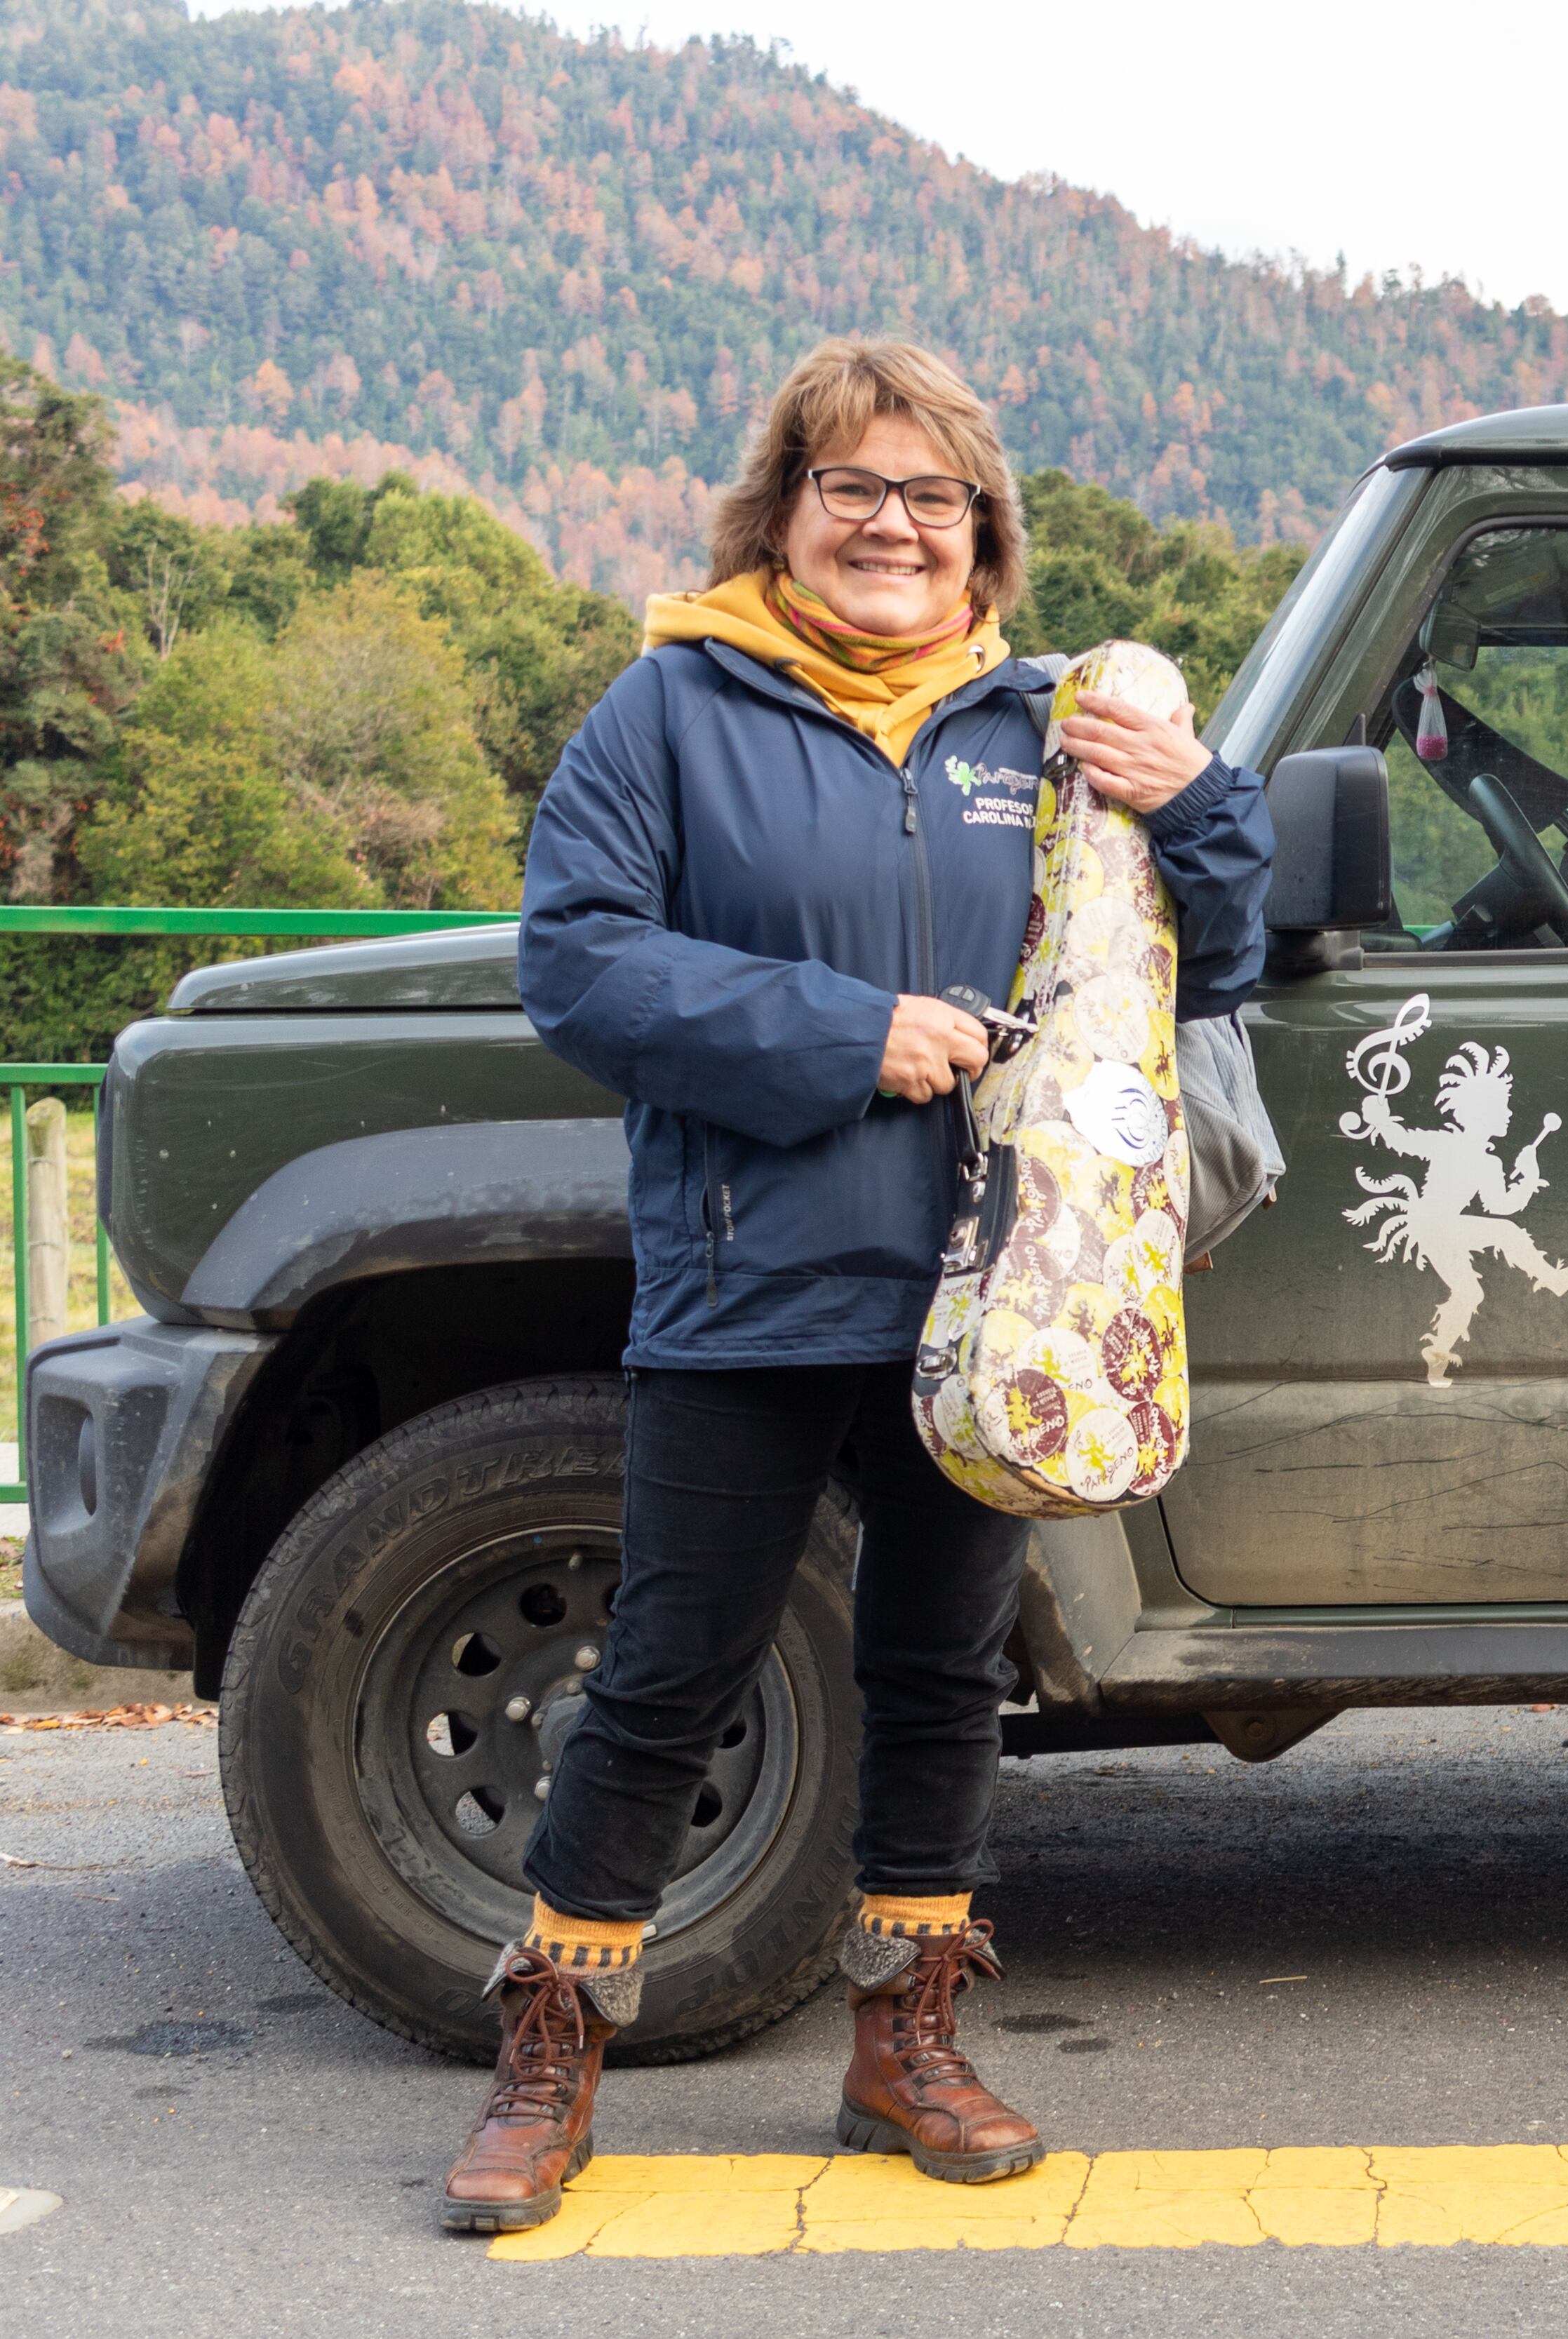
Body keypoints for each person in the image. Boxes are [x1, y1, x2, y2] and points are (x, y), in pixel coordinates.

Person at [440, 337, 1275, 2233]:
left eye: (933, 497)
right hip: (755, 1275)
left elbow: (1214, 955)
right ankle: (550, 2041)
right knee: (668, 1670)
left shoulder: (1047, 722)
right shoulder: (667, 711)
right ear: (784, 512)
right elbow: (574, 962)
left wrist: (1204, 795)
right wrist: (845, 1032)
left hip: (996, 1297)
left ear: (984, 533)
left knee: (935, 1678)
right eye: (854, 489)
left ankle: (904, 2038)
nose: (893, 524)